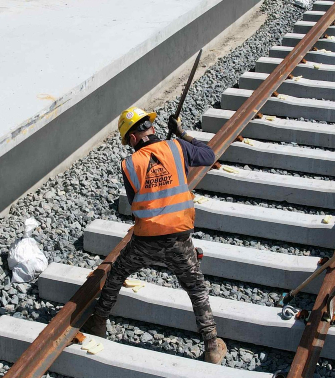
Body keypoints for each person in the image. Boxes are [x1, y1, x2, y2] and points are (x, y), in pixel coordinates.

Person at [82, 107, 228, 364]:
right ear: (150, 128)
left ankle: (98, 323)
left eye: (128, 141)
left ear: (133, 138)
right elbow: (209, 155)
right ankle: (212, 346)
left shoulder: (129, 164)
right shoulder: (176, 147)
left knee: (116, 275)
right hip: (179, 240)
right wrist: (183, 135)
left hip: (145, 241)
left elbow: (134, 200)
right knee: (196, 288)